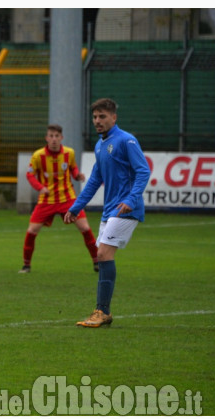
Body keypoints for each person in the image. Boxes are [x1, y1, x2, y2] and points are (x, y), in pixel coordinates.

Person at [64, 98, 150, 328]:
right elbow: (94, 180)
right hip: (110, 210)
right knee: (103, 258)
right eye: (95, 117)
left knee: (102, 254)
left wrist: (132, 199)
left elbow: (143, 171)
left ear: (114, 117)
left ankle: (101, 311)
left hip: (126, 209)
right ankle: (104, 312)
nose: (97, 121)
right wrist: (76, 207)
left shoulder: (126, 140)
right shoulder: (100, 145)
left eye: (102, 116)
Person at [19, 124, 99, 274]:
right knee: (32, 231)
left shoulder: (69, 153)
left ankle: (97, 262)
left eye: (57, 136)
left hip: (67, 199)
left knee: (85, 228)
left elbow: (72, 168)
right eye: (51, 136)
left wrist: (77, 175)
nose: (54, 139)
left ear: (61, 138)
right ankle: (26, 265)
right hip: (46, 200)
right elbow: (30, 174)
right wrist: (40, 187)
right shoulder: (38, 155)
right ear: (46, 138)